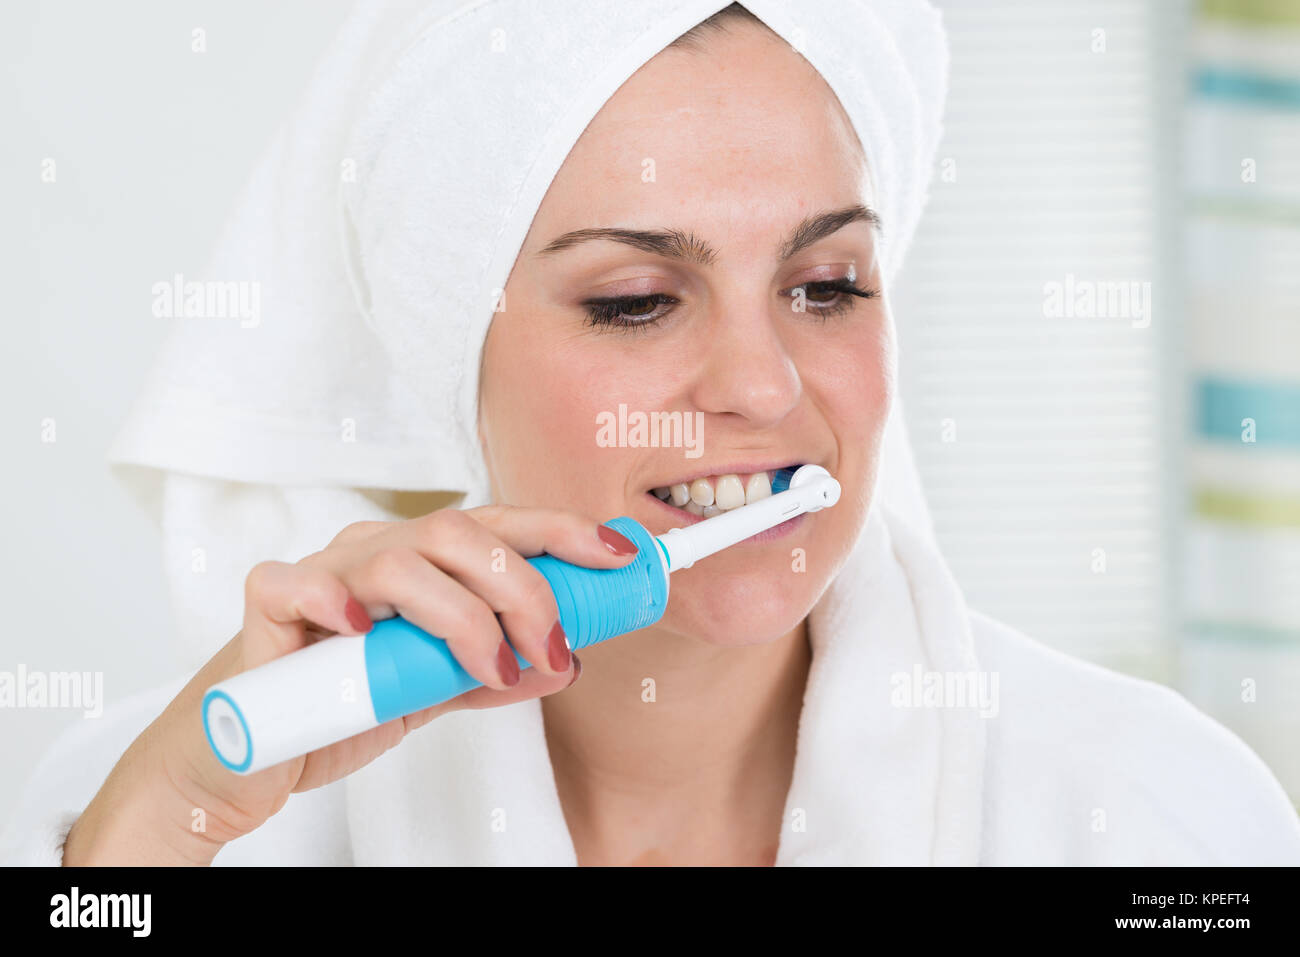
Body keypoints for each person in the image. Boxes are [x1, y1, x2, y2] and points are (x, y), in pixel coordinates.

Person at [4, 0, 1298, 867]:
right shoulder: (187, 804)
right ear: (460, 363)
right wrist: (165, 810)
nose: (761, 383)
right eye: (636, 300)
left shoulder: (1152, 816)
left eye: (825, 284)